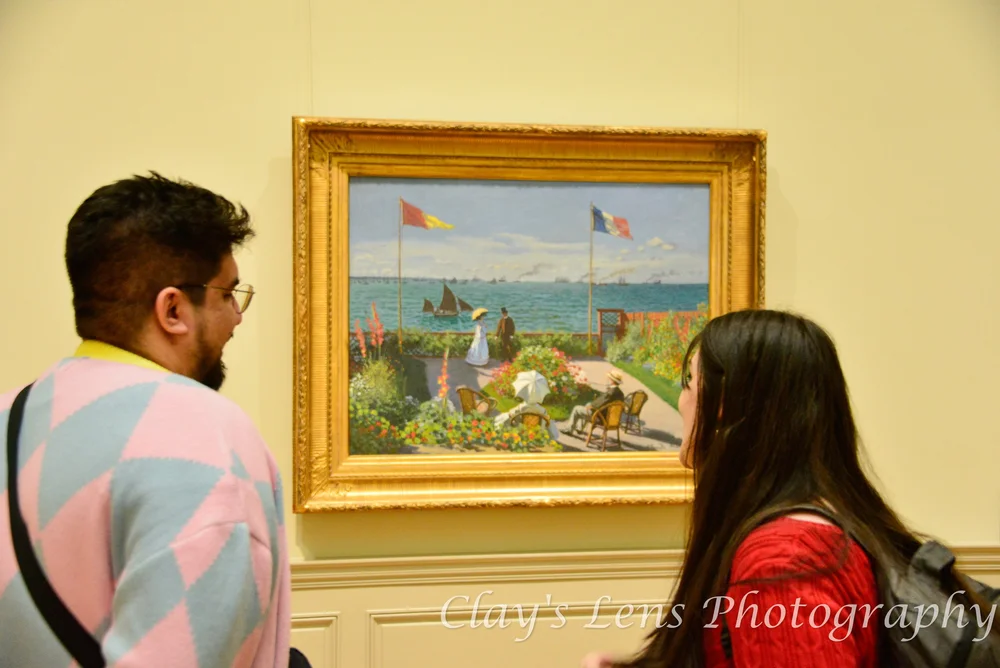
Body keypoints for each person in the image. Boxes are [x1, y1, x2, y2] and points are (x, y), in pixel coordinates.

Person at [580, 309, 998, 668]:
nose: (683, 400)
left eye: (689, 382)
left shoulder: (783, 561)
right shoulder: (820, 523)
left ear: (723, 404)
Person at [0, 173, 296, 667]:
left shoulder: (10, 413)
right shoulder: (207, 437)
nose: (237, 316)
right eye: (228, 293)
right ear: (172, 309)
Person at [564, 369, 626, 436]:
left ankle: (569, 430)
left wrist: (591, 405)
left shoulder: (611, 392)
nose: (608, 379)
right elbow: (608, 403)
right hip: (611, 419)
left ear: (612, 381)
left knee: (576, 408)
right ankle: (579, 428)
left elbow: (600, 403)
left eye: (610, 378)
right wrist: (592, 404)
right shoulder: (620, 393)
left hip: (600, 418)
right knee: (588, 404)